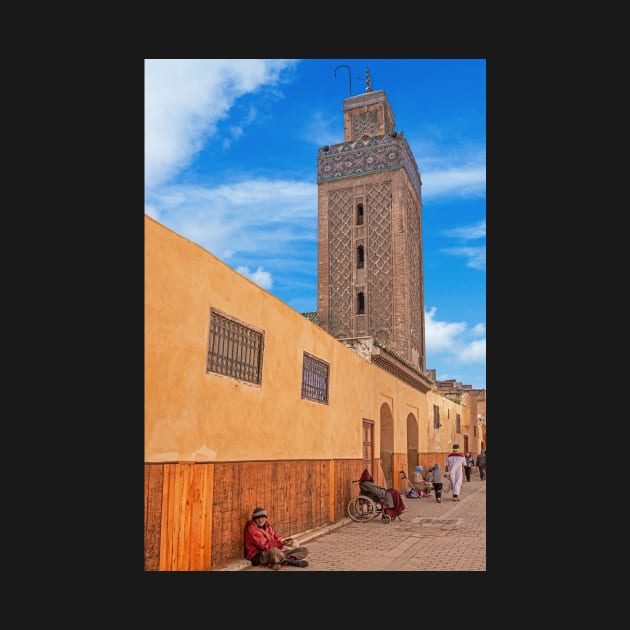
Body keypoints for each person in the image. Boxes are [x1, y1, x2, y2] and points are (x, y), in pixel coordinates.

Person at [244, 506, 309, 570]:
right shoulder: (251, 529)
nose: (261, 520)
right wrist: (281, 543)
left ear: (265, 518)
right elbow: (265, 546)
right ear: (254, 519)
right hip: (259, 555)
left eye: (263, 517)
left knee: (304, 550)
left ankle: (278, 561)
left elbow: (276, 536)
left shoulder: (267, 525)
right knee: (274, 551)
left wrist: (284, 541)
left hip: (274, 551)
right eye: (258, 518)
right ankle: (289, 561)